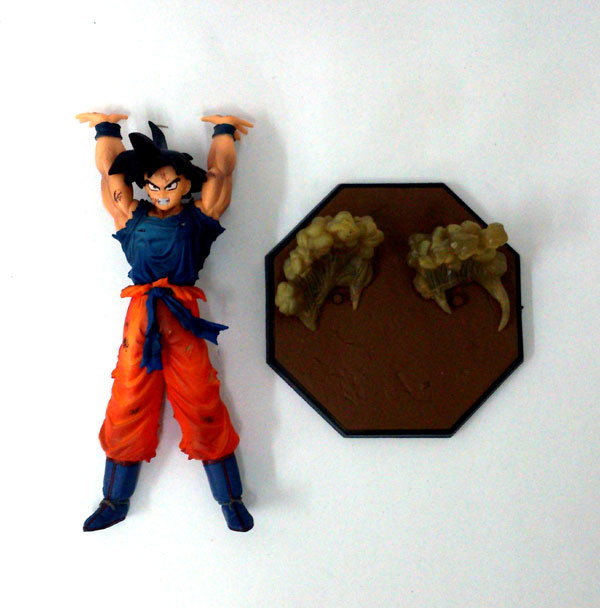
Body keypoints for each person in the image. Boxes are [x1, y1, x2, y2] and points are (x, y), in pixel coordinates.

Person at [76, 111, 254, 532]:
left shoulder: (197, 219)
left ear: (185, 186)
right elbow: (111, 176)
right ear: (145, 186)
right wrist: (106, 130)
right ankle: (114, 500)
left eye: (170, 185)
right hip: (141, 318)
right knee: (127, 402)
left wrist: (224, 131)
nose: (161, 193)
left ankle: (230, 499)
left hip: (182, 319)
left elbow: (220, 175)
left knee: (202, 402)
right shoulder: (132, 218)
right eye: (154, 186)